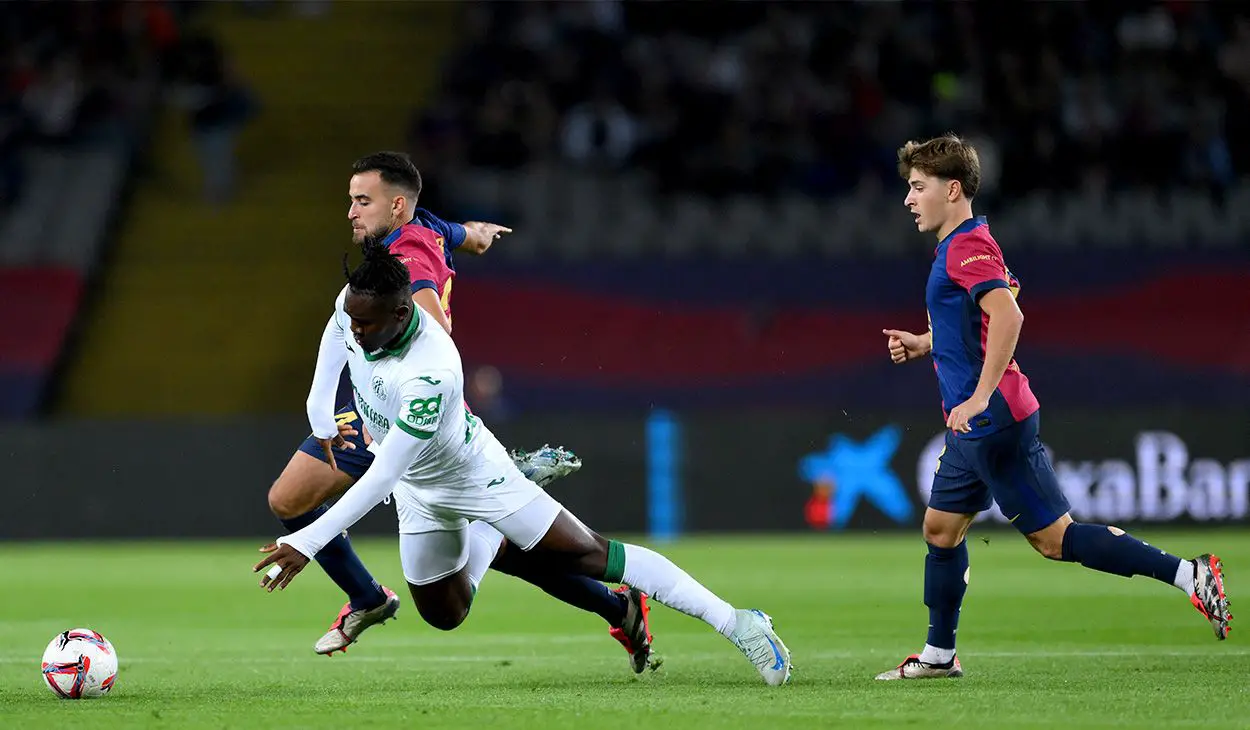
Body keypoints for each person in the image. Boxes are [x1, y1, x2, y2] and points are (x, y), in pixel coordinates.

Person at [254, 241, 793, 686]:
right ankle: (488, 537)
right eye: (355, 319)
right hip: (420, 490)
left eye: (369, 326)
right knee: (445, 614)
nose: (359, 332)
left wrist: (307, 542)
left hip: (473, 474)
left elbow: (383, 474)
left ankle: (740, 622)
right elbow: (335, 332)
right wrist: (320, 415)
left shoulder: (433, 370)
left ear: (402, 313)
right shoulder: (359, 306)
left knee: (590, 555)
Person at [266, 152, 652, 672]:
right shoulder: (423, 226)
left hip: (414, 423)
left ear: (396, 206)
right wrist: (477, 234)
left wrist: (419, 367)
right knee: (289, 498)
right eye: (351, 201)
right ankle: (368, 598)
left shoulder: (408, 260)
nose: (352, 213)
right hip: (369, 412)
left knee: (511, 555)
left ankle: (615, 604)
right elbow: (459, 234)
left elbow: (430, 328)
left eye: (362, 201)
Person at [876, 134, 1232, 681]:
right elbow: (997, 307)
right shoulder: (969, 243)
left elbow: (1009, 317)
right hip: (978, 425)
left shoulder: (966, 249)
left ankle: (1191, 574)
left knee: (1055, 539)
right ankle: (939, 657)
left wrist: (978, 394)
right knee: (941, 529)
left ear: (952, 190)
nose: (908, 198)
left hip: (991, 421)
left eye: (918, 187)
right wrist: (928, 343)